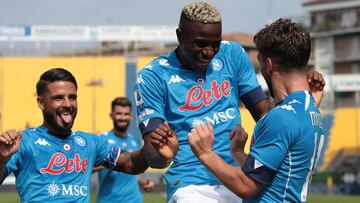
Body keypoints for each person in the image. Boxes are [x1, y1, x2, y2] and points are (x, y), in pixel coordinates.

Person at [135, 2, 324, 203]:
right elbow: (154, 156)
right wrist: (164, 154)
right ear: (180, 36)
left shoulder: (232, 54)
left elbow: (266, 114)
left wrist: (301, 101)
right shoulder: (152, 76)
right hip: (192, 186)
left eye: (215, 44)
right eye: (200, 44)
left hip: (239, 175)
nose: (208, 52)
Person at [188, 18, 325, 203]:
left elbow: (246, 186)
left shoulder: (282, 118)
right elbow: (274, 177)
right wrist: (238, 153)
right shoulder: (311, 109)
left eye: (259, 62)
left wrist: (206, 153)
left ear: (268, 65)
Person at [0, 68, 177, 202]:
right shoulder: (23, 141)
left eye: (72, 97)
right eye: (58, 98)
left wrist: (153, 148)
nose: (67, 104)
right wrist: (2, 158)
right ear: (41, 103)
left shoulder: (90, 142)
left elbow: (130, 163)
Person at [95, 97, 154, 203]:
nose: (123, 117)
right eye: (119, 113)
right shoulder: (101, 140)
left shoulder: (135, 141)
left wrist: (143, 182)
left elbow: (133, 171)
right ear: (111, 115)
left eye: (126, 114)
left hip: (134, 200)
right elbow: (86, 168)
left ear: (131, 116)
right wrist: (107, 162)